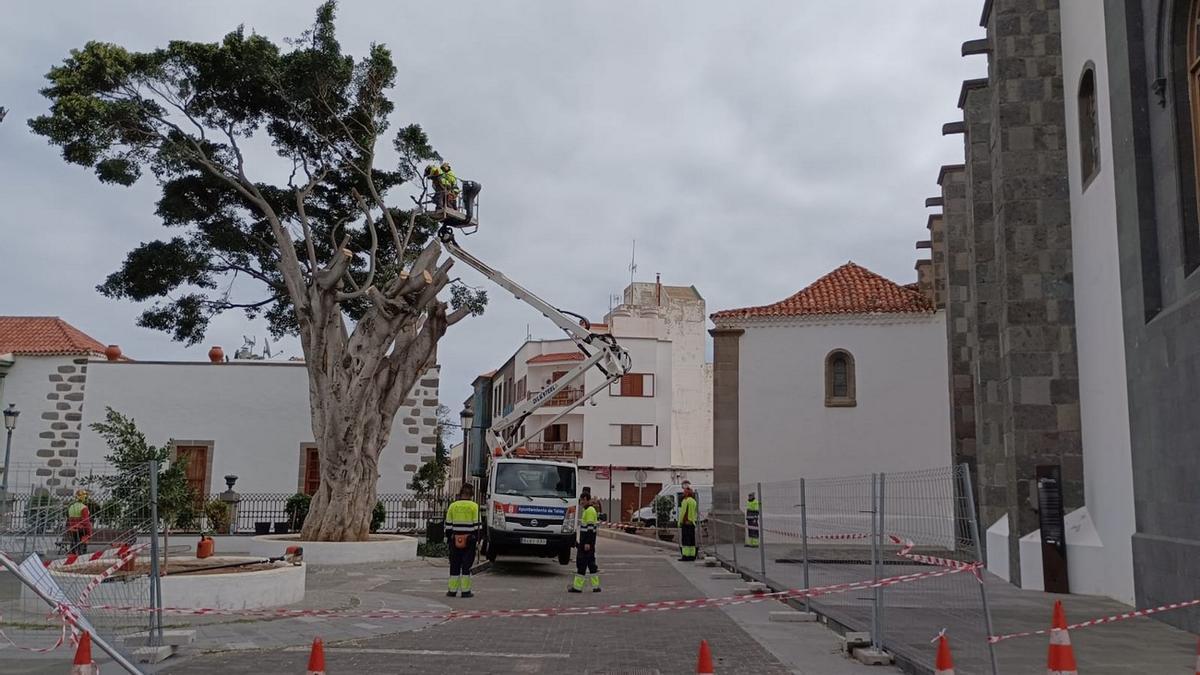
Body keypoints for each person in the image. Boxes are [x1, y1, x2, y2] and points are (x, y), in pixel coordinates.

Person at [444, 484, 481, 598]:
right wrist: (478, 540)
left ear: (460, 493)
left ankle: (452, 591)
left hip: (455, 539)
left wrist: (449, 539)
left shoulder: (453, 506)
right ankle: (466, 591)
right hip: (469, 540)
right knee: (466, 566)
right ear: (471, 494)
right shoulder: (474, 506)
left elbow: (448, 526)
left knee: (454, 565)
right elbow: (478, 526)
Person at [570, 488, 601, 593]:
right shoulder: (587, 510)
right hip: (586, 543)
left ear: (585, 499)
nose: (581, 502)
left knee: (582, 564)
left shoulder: (590, 511)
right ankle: (596, 586)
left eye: (581, 500)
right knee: (591, 564)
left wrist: (587, 543)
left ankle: (577, 587)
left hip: (587, 544)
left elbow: (590, 529)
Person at [66, 489, 93, 555]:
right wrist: (89, 533)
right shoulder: (84, 508)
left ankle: (71, 558)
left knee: (74, 544)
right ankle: (81, 556)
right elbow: (86, 522)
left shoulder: (71, 507)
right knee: (82, 546)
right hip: (81, 530)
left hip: (72, 529)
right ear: (84, 498)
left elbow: (69, 519)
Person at [678, 485, 698, 561]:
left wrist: (679, 522)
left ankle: (685, 555)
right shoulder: (694, 501)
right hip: (692, 523)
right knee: (692, 540)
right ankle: (692, 555)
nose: (683, 493)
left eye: (684, 492)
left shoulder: (685, 501)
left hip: (686, 523)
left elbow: (683, 512)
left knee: (685, 540)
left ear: (686, 493)